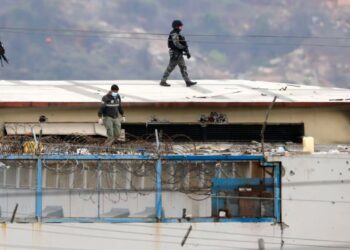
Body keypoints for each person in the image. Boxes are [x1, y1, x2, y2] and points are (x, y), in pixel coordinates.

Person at [160, 20, 197, 87]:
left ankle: (187, 81)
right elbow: (176, 43)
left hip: (178, 53)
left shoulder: (178, 33)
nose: (181, 27)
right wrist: (183, 48)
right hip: (175, 53)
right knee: (170, 67)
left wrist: (186, 51)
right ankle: (163, 81)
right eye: (180, 26)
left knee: (183, 67)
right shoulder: (174, 33)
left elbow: (182, 44)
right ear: (177, 26)